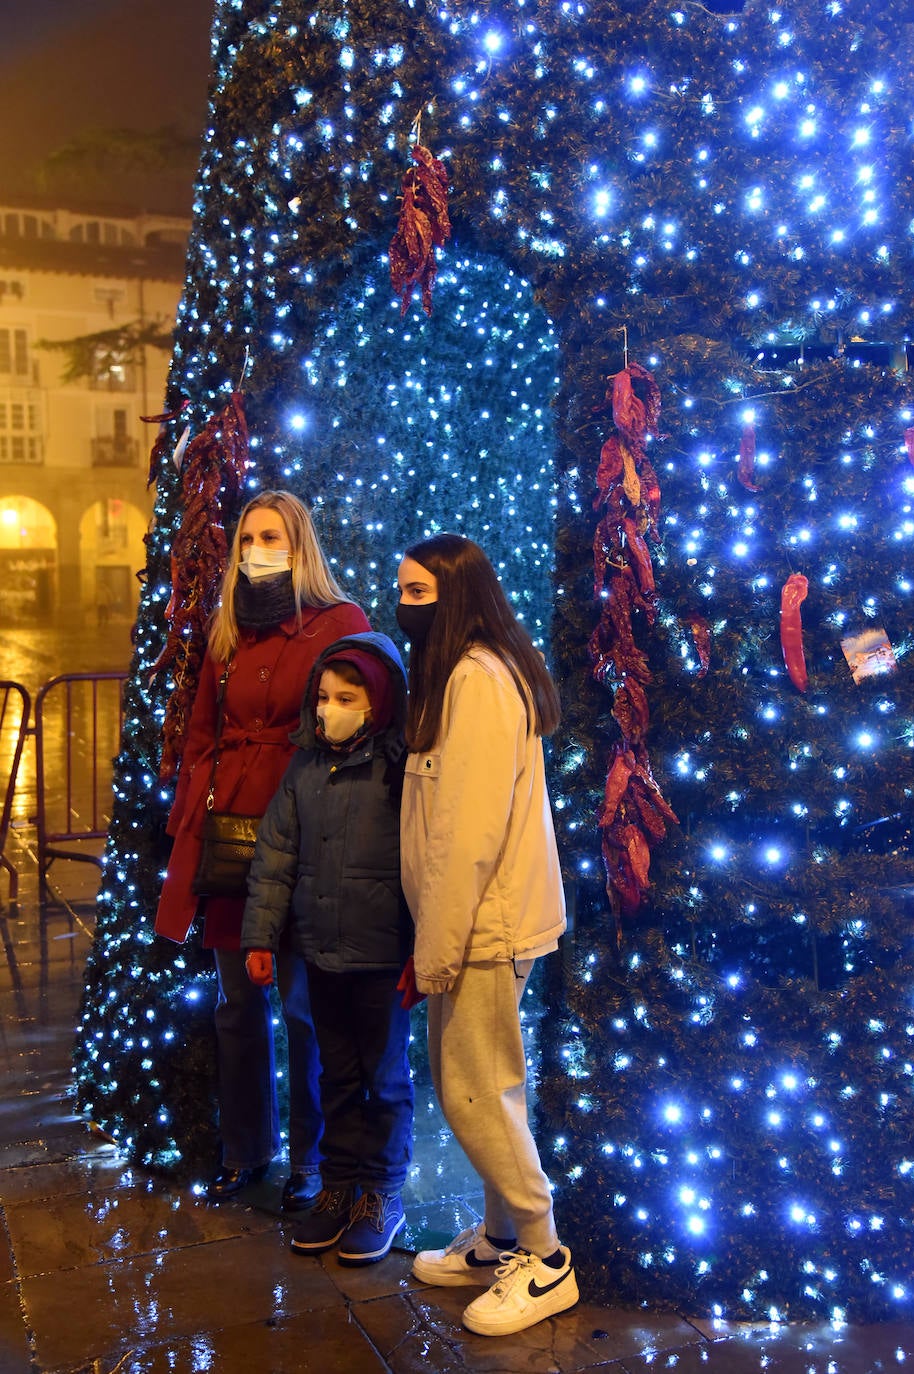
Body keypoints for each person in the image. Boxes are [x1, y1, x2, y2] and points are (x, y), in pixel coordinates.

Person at [154, 491, 370, 1208]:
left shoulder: (341, 624)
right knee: (236, 1004)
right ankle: (247, 1150)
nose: (256, 549)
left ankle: (312, 1162)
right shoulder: (229, 629)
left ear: (299, 542)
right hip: (229, 841)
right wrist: (193, 805)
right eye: (248, 537)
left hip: (305, 836)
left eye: (270, 535)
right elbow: (201, 733)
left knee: (306, 1008)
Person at [395, 532, 578, 1337]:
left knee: (474, 1091)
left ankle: (543, 1257)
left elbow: (464, 834)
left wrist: (435, 947)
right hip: (489, 919)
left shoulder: (474, 681)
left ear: (457, 598)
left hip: (483, 924)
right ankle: (500, 1238)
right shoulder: (478, 673)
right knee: (489, 1082)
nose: (402, 608)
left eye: (417, 596)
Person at [241, 631, 414, 1265]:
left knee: (385, 1079)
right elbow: (276, 854)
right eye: (323, 696)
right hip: (320, 952)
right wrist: (261, 935)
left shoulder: (401, 769)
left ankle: (382, 1193)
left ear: (380, 701)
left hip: (382, 958)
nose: (330, 708)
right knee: (335, 1075)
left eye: (348, 696)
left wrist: (423, 948)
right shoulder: (306, 765)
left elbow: (425, 862)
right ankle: (339, 1187)